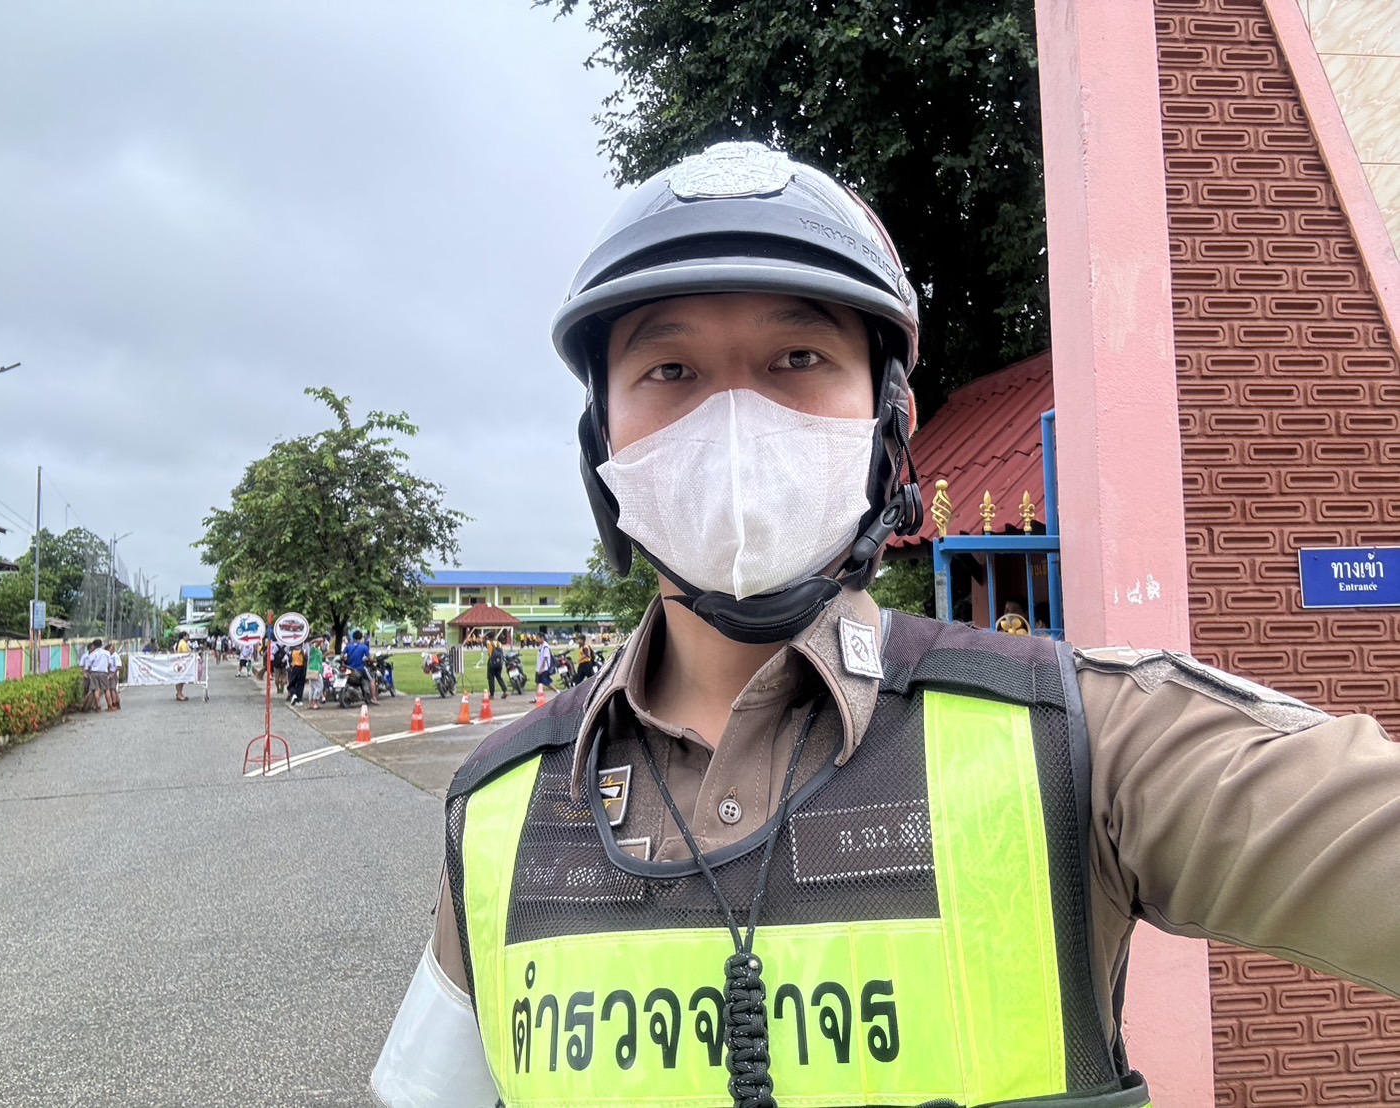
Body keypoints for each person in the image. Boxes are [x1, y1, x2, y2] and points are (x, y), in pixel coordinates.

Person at [371, 142, 1400, 1108]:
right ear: (603, 439)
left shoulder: (1088, 740)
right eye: (669, 371)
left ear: (887, 423)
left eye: (797, 356)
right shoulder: (496, 804)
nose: (736, 426)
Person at [345, 630, 374, 704]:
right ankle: (374, 698)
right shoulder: (364, 647)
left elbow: (342, 656)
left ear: (353, 637)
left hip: (349, 669)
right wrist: (372, 660)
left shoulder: (348, 646)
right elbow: (370, 658)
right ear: (361, 638)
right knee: (372, 680)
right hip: (360, 669)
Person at [531, 631, 555, 703]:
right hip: (539, 668)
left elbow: (545, 658)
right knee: (538, 683)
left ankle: (558, 691)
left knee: (547, 683)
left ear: (542, 638)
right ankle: (537, 697)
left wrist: (541, 669)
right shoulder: (541, 646)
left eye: (538, 638)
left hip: (543, 669)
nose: (537, 640)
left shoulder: (545, 647)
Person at [482, 631, 508, 700]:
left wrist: (485, 637)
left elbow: (483, 642)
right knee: (499, 676)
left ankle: (492, 694)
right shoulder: (499, 643)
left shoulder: (488, 643)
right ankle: (505, 690)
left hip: (492, 662)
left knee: (491, 678)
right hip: (499, 662)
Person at [306, 635, 326, 709]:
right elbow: (319, 640)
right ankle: (314, 702)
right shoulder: (313, 648)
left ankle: (311, 703)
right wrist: (317, 640)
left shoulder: (318, 650)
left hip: (316, 670)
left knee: (313, 687)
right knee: (319, 687)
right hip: (315, 670)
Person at [287, 638, 308, 706]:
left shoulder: (292, 652)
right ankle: (299, 700)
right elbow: (306, 660)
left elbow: (289, 661)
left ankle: (293, 694)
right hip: (303, 669)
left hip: (295, 668)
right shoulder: (304, 651)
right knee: (301, 685)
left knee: (291, 685)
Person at [173, 631, 192, 702]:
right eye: (187, 636)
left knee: (180, 679)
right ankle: (179, 694)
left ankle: (180, 693)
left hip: (179, 662)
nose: (188, 637)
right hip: (182, 663)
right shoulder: (183, 643)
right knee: (181, 679)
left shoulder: (179, 643)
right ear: (184, 636)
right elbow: (185, 653)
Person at [104, 641, 122, 711]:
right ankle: (116, 703)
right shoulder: (111, 656)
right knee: (113, 689)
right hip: (110, 673)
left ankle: (114, 703)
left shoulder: (115, 656)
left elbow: (118, 666)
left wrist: (113, 674)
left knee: (112, 689)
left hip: (112, 673)